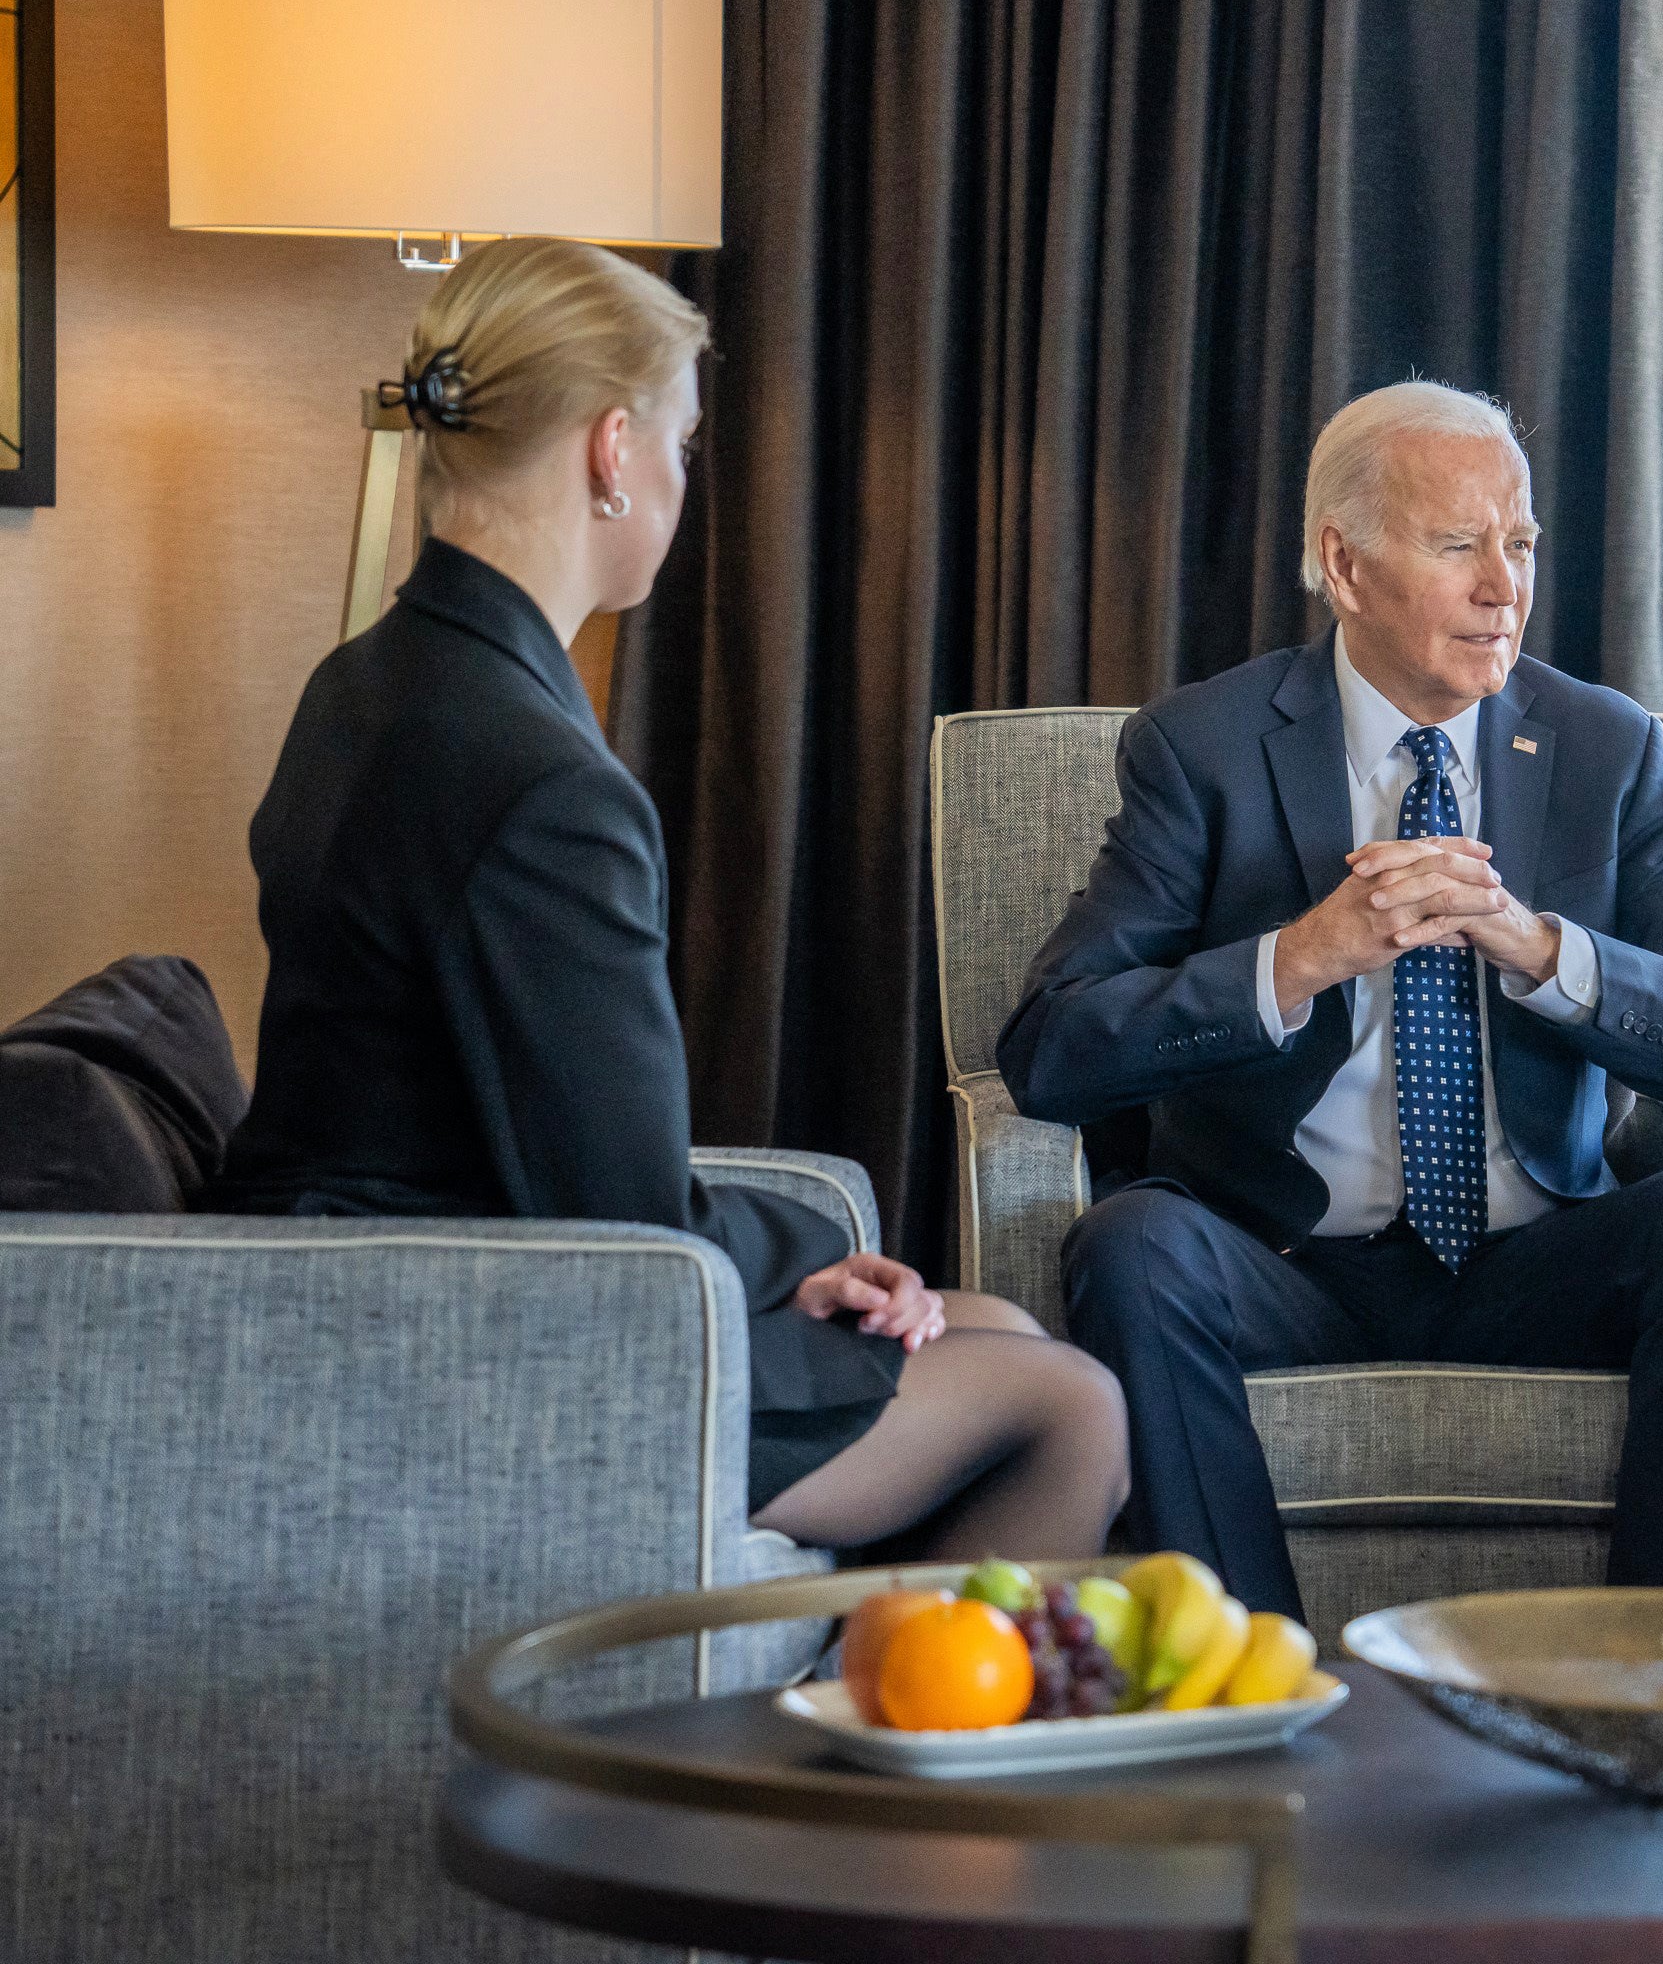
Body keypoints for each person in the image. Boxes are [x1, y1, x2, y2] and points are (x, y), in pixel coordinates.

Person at [212, 238, 1127, 1562]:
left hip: (392, 1288)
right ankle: (878, 1758)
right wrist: (808, 1238)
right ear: (611, 448)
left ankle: (870, 1732)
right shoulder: (538, 780)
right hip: (484, 1347)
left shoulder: (364, 684)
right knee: (1069, 1406)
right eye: (684, 448)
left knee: (1003, 1332)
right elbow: (630, 1223)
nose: (683, 483)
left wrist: (794, 1255)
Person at [995, 381, 1663, 1621]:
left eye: (1519, 543)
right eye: (1458, 544)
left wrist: (1541, 949)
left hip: (1542, 1249)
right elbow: (1053, 1045)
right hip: (1285, 1252)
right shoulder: (1202, 748)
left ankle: (1661, 1664)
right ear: (1345, 563)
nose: (1504, 586)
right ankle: (1253, 1675)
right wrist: (1303, 954)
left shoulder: (1606, 747)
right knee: (1131, 1245)